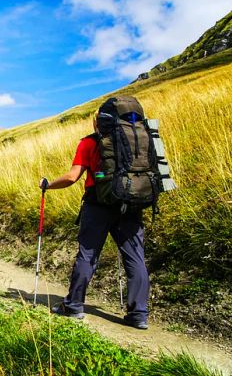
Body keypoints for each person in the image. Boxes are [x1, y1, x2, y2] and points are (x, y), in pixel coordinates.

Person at [39, 112, 150, 330]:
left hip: (97, 205)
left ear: (96, 122)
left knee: (88, 254)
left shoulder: (89, 143)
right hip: (131, 206)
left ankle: (74, 306)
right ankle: (138, 315)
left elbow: (72, 177)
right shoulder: (140, 140)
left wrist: (47, 185)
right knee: (136, 259)